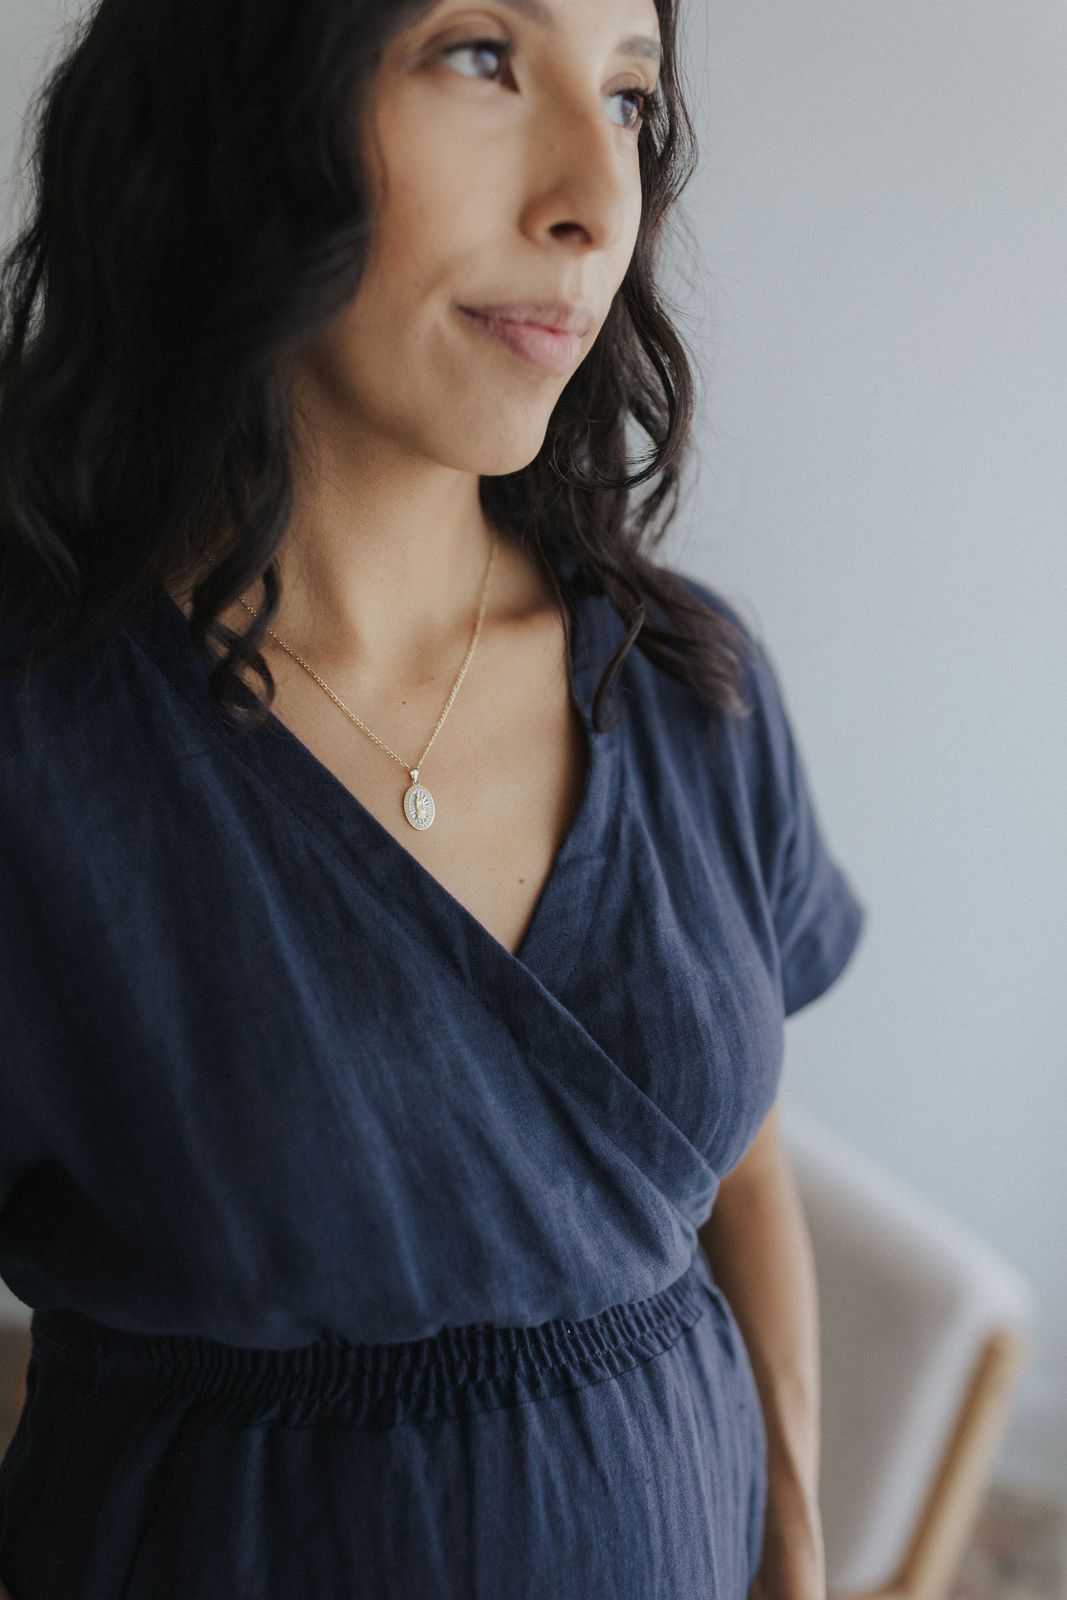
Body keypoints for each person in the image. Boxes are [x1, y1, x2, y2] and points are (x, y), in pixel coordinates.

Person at [0, 0, 867, 1594]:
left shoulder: (687, 687)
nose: (596, 203)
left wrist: (796, 1537)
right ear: (236, 89)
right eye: (480, 55)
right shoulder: (48, 760)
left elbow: (730, 1154)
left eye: (626, 99)